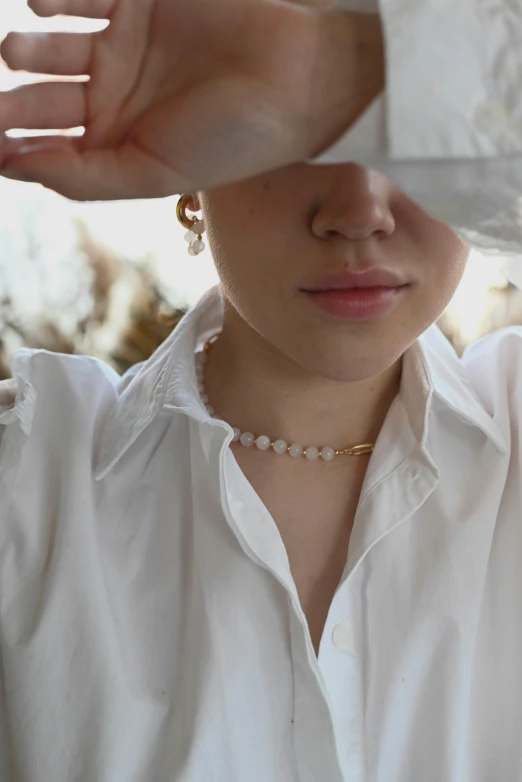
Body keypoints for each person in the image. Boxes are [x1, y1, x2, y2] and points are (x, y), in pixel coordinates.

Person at [0, 1, 521, 781]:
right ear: (188, 181)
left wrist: (354, 69)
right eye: (301, 131)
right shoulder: (30, 487)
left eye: (410, 141)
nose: (359, 212)